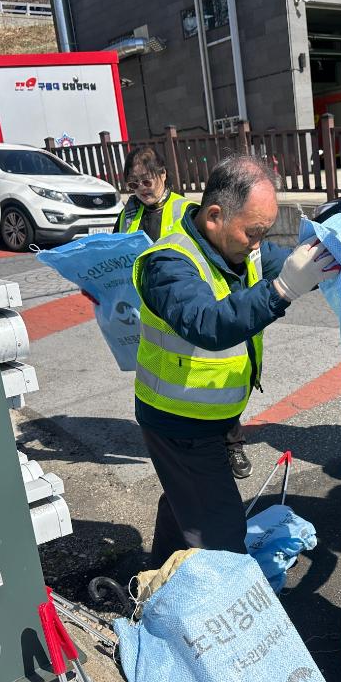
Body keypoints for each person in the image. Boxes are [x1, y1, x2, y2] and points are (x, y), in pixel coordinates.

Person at [133, 154, 339, 565]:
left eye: (264, 232)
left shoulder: (245, 250)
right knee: (221, 533)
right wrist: (282, 290)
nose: (258, 242)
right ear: (214, 216)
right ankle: (209, 600)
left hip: (212, 415)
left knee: (186, 503)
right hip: (178, 421)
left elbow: (299, 265)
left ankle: (159, 581)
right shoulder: (168, 263)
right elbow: (208, 323)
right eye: (253, 231)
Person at [116, 145, 254, 479]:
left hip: (193, 304)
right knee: (170, 377)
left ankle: (232, 443)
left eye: (146, 180)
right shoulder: (128, 215)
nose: (141, 189)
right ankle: (183, 441)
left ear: (163, 174)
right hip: (152, 311)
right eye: (133, 184)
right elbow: (117, 256)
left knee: (213, 378)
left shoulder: (185, 209)